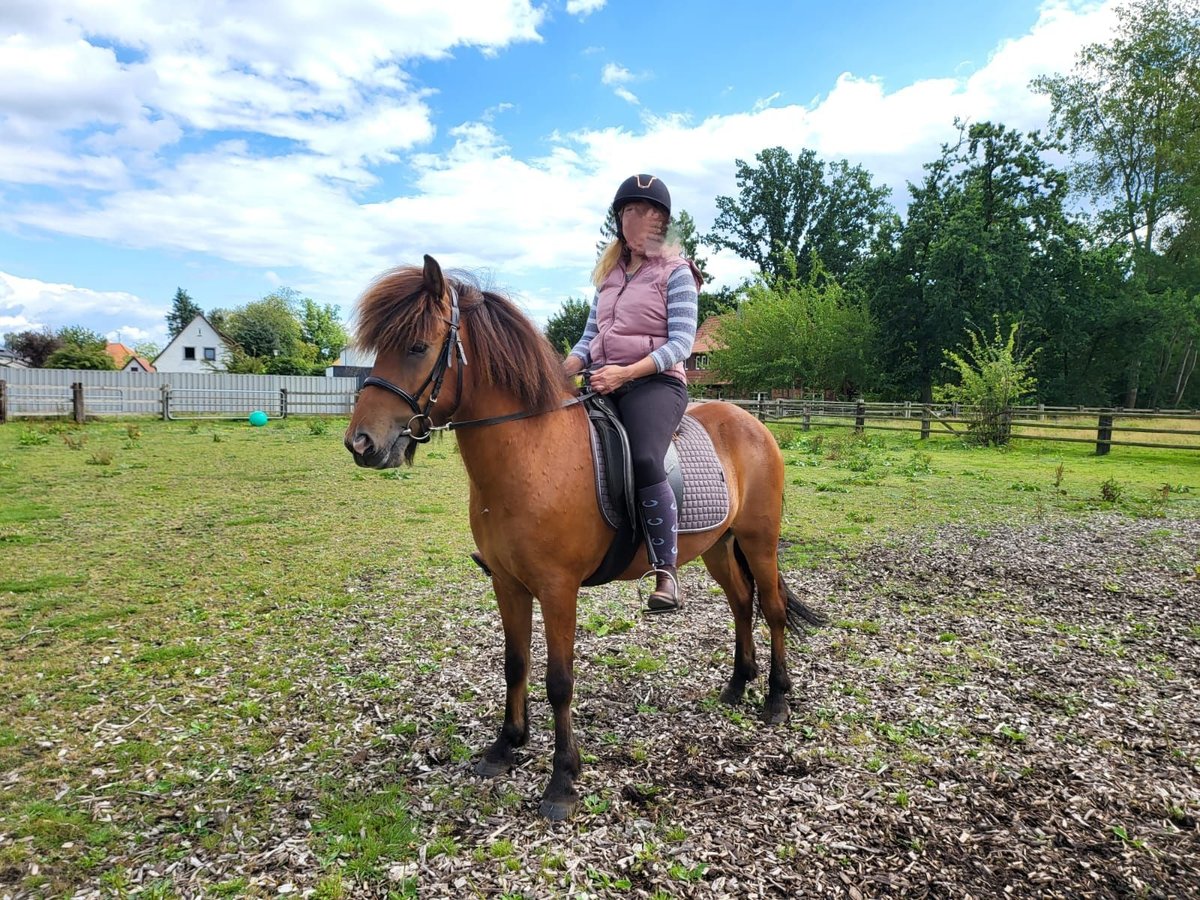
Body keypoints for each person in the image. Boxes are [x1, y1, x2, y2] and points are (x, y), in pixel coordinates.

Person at [565, 174, 702, 612]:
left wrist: (625, 374)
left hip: (656, 383)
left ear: (662, 222)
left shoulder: (678, 273)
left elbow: (681, 344)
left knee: (644, 456)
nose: (637, 219)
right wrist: (561, 368)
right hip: (604, 379)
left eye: (648, 212)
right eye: (629, 211)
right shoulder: (608, 275)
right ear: (619, 221)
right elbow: (589, 339)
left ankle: (666, 570)